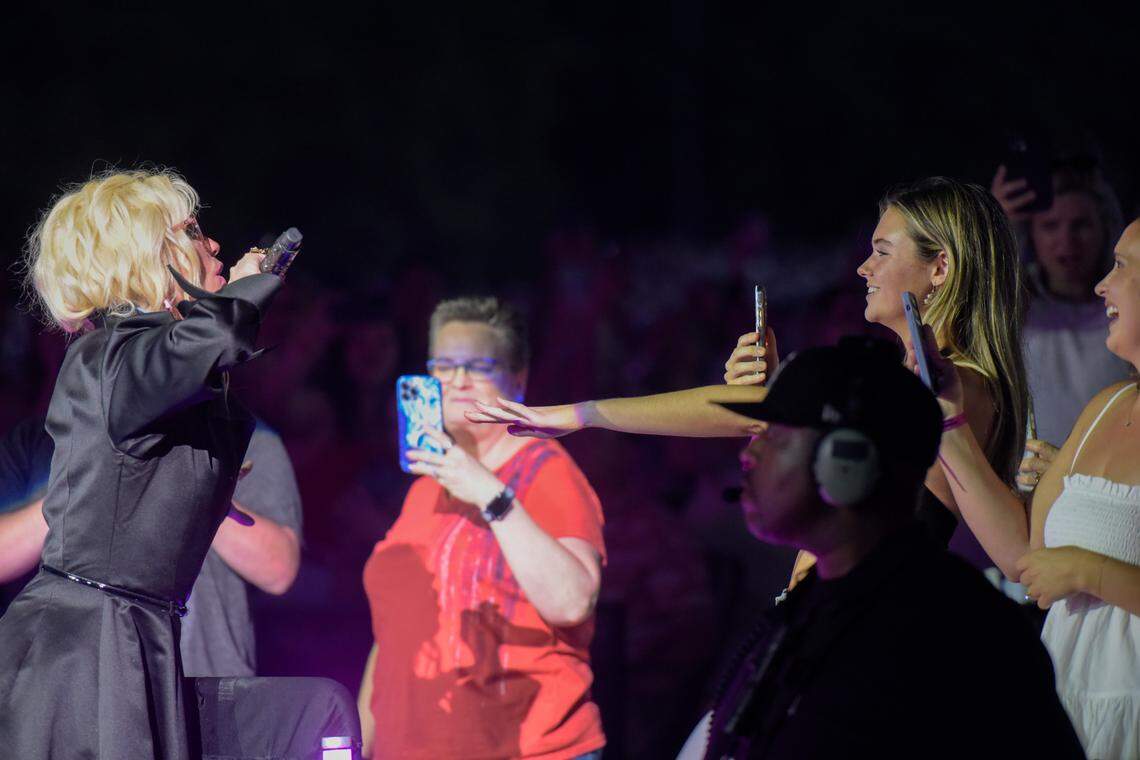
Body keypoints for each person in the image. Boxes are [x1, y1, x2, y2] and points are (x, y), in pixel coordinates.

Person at [472, 178, 1029, 568]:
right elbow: (752, 415)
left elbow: (750, 420)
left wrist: (580, 416)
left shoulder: (957, 388)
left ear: (942, 266)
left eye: (882, 251)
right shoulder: (902, 380)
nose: (864, 267)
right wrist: (579, 415)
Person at [678, 336, 1083, 758]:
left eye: (777, 438)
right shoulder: (812, 608)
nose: (749, 455)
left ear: (844, 465)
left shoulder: (958, 629)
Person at [0, 169, 282, 758]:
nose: (214, 246)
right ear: (149, 255)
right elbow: (215, 342)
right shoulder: (114, 357)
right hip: (84, 650)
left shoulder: (142, 362)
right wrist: (242, 294)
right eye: (195, 231)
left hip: (132, 633)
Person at [922, 217, 1140, 757]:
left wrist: (1087, 569)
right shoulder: (1104, 407)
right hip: (1068, 703)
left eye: (1122, 266)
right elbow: (1029, 560)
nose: (1100, 285)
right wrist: (949, 419)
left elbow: (1068, 567)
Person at [358, 296, 607, 760]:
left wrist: (491, 496)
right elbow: (393, 636)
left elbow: (573, 601)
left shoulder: (546, 472)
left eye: (477, 366)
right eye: (444, 365)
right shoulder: (426, 488)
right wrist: (359, 746)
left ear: (517, 380)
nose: (456, 381)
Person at [0, 414, 303, 677]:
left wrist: (195, 477)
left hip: (200, 689)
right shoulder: (38, 438)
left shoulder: (248, 434)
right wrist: (91, 481)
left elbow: (279, 571)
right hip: (64, 693)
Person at [992, 156, 1131, 452]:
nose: (1066, 241)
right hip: (1032, 482)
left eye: (1080, 225)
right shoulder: (1015, 306)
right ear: (1031, 234)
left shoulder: (1131, 306)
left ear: (1104, 228)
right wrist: (997, 223)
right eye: (1050, 226)